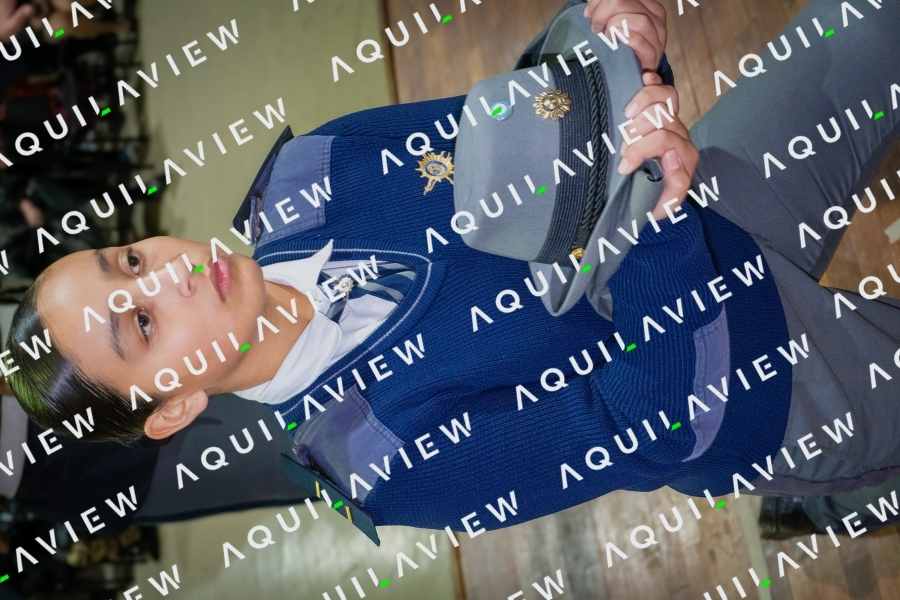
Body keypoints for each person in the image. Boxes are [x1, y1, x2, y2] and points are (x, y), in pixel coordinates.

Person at [3, 0, 900, 539]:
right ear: (173, 409)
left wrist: (613, 44)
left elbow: (532, 119)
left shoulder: (311, 174)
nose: (169, 276)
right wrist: (658, 221)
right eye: (143, 323)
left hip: (714, 202)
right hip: (753, 385)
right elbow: (653, 420)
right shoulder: (379, 463)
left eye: (129, 259)